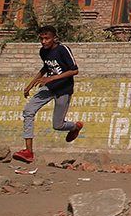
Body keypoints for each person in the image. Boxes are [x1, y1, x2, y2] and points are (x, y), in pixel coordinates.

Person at [14, 25, 81, 164]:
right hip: (49, 87)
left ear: (54, 38)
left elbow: (74, 70)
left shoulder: (63, 50)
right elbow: (46, 67)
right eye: (41, 38)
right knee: (28, 110)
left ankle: (75, 127)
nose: (43, 41)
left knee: (58, 125)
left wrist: (51, 78)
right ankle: (28, 152)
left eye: (47, 38)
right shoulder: (43, 52)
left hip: (63, 89)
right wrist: (31, 84)